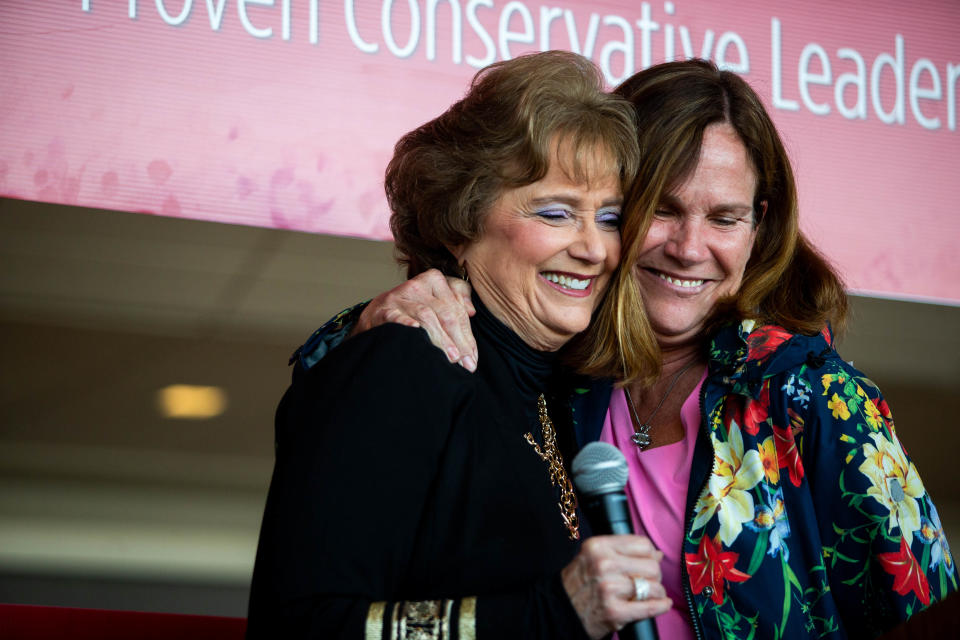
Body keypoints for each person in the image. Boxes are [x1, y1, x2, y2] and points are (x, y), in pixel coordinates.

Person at [308, 59, 958, 639]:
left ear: (759, 227)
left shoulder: (809, 396)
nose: (689, 247)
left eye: (724, 218)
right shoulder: (565, 378)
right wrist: (371, 320)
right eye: (662, 210)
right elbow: (347, 381)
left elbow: (931, 610)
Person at [245, 51, 674, 639]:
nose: (594, 249)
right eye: (555, 213)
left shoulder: (569, 397)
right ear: (459, 223)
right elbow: (302, 626)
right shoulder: (398, 364)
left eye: (608, 218)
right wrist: (551, 613)